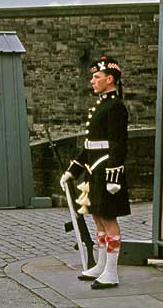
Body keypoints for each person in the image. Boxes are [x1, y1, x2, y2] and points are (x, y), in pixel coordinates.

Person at [60, 56, 129, 290]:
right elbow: (89, 144)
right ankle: (101, 266)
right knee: (97, 217)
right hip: (93, 170)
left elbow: (119, 144)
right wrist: (72, 171)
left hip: (106, 170)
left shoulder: (116, 106)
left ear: (110, 79)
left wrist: (114, 176)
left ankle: (111, 272)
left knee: (109, 219)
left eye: (96, 77)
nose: (92, 80)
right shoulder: (101, 105)